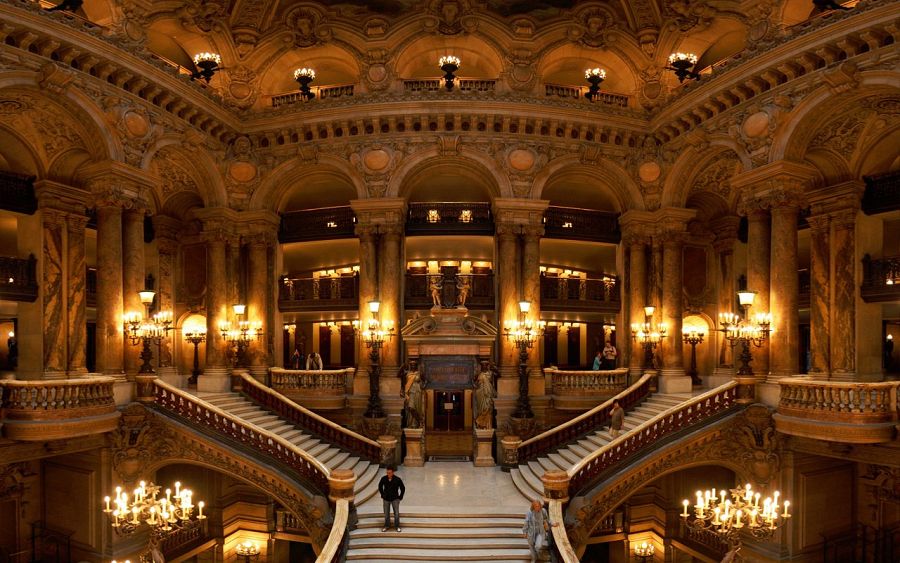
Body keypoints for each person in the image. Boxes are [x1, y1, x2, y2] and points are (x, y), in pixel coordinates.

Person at [522, 499, 557, 563]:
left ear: (540, 506)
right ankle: (534, 558)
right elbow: (526, 522)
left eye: (538, 506)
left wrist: (552, 523)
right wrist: (525, 532)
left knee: (538, 546)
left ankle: (538, 554)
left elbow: (547, 519)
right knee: (531, 546)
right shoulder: (529, 512)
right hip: (531, 532)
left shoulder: (543, 511)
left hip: (540, 532)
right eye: (536, 506)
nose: (537, 507)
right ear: (533, 506)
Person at [378, 466, 405, 532]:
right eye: (387, 473)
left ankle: (397, 526)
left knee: (396, 513)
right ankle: (387, 525)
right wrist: (382, 494)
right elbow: (380, 486)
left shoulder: (397, 479)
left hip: (395, 498)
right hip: (386, 498)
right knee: (386, 513)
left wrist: (400, 496)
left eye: (389, 473)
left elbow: (403, 488)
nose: (388, 474)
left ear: (393, 472)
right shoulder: (383, 478)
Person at [473, 360, 496, 429]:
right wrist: (475, 387)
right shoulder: (478, 374)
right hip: (480, 394)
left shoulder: (491, 373)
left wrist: (495, 369)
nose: (484, 366)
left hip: (488, 394)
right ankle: (480, 424)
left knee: (488, 407)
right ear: (481, 366)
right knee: (481, 409)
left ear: (487, 366)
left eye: (485, 365)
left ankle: (485, 424)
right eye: (483, 365)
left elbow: (498, 376)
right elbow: (474, 383)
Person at [403, 360, 424, 429]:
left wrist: (423, 386)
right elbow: (402, 381)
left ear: (416, 366)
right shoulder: (407, 373)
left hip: (418, 392)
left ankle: (416, 423)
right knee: (411, 407)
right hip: (410, 392)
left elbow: (425, 381)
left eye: (414, 365)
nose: (413, 366)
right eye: (411, 365)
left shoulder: (419, 373)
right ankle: (420, 420)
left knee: (417, 408)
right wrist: (402, 366)